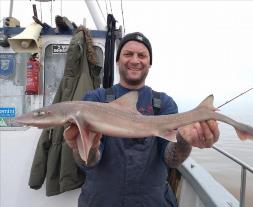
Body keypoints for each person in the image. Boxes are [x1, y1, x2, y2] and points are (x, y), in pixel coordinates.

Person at [64, 32, 220, 207]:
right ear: (118, 60)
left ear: (149, 63)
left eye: (142, 55)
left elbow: (171, 160)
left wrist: (184, 141)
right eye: (128, 54)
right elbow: (88, 164)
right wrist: (84, 148)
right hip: (101, 200)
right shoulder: (96, 100)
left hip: (151, 201)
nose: (135, 60)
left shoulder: (163, 104)